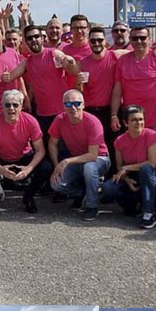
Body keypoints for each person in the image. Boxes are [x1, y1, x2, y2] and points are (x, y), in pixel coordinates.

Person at [0, 89, 51, 214]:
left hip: (23, 156)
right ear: (2, 106)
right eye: (7, 105)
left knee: (46, 167)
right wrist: (1, 169)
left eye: (15, 105)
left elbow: (40, 151)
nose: (11, 109)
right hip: (0, 156)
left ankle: (28, 197)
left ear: (21, 106)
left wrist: (28, 169)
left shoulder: (31, 121)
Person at [110, 26, 156, 145]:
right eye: (135, 38)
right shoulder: (122, 61)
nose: (139, 41)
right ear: (130, 39)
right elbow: (117, 91)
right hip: (134, 120)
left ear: (149, 39)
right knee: (137, 157)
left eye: (142, 38)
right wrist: (114, 115)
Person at [47, 89, 109, 222]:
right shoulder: (60, 119)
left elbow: (93, 155)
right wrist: (56, 166)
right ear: (63, 106)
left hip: (100, 158)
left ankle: (91, 206)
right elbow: (52, 144)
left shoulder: (93, 122)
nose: (73, 107)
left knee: (89, 167)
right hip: (77, 160)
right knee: (56, 184)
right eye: (68, 104)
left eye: (77, 103)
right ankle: (81, 192)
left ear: (83, 104)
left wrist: (66, 161)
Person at [102, 106, 156, 227]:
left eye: (141, 119)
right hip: (132, 177)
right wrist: (126, 179)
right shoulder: (119, 141)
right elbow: (120, 167)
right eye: (134, 120)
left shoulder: (151, 135)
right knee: (108, 187)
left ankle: (148, 213)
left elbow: (151, 163)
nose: (139, 123)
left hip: (153, 176)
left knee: (146, 169)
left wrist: (126, 168)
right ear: (125, 123)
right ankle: (130, 207)